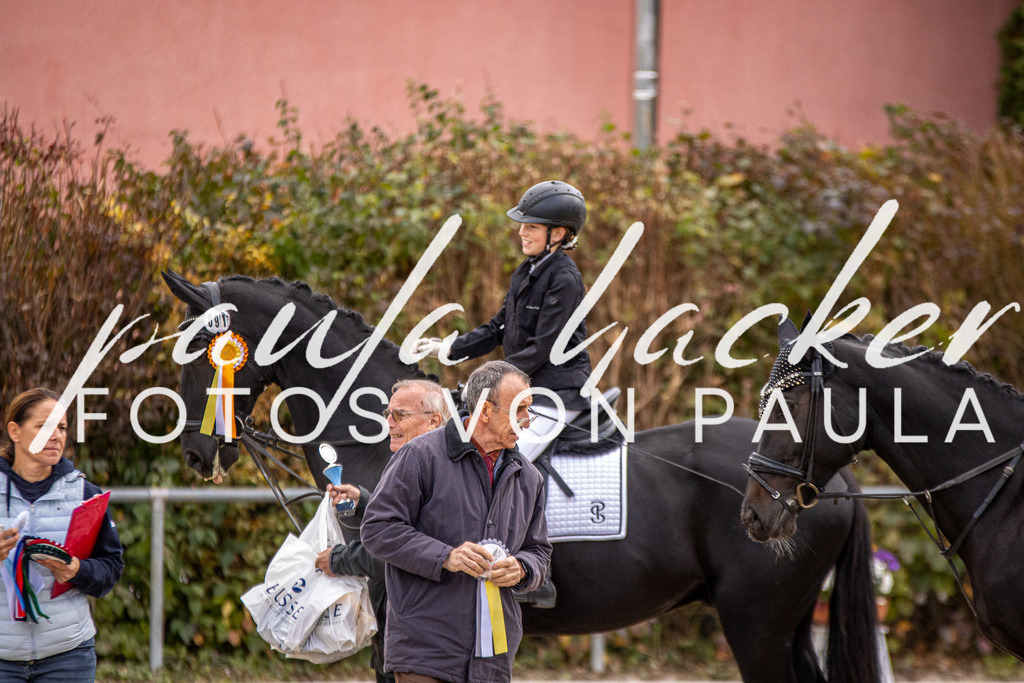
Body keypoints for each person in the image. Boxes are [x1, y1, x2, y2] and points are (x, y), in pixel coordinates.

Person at [361, 360, 552, 683]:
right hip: (425, 651)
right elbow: (378, 529)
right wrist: (446, 557)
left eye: (528, 410)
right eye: (519, 410)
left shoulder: (529, 477)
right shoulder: (419, 455)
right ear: (486, 411)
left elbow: (539, 552)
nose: (528, 421)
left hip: (493, 657)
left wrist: (523, 568)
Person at [416, 180, 592, 463]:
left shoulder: (564, 279)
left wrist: (488, 381)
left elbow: (541, 349)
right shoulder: (528, 270)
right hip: (526, 391)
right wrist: (449, 348)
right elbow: (498, 328)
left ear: (557, 233)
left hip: (556, 395)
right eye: (523, 225)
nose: (521, 232)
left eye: (531, 226)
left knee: (502, 460)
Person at [315, 379, 449, 683]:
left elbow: (400, 551)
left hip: (417, 633)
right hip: (402, 626)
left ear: (433, 420)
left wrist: (338, 560)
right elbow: (407, 523)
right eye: (388, 414)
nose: (388, 423)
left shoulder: (430, 465)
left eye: (399, 415)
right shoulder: (417, 458)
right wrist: (366, 500)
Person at [0, 388, 124, 682]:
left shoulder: (85, 495)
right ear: (14, 431)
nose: (57, 435)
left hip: (68, 657)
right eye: (44, 426)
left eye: (63, 427)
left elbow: (112, 567)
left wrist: (77, 570)